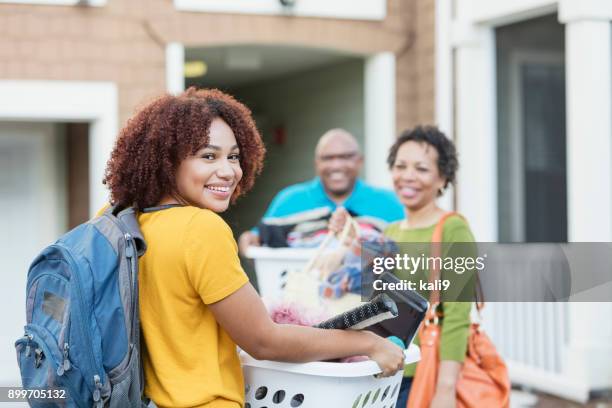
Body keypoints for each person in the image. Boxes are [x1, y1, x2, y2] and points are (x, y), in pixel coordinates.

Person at [102, 88, 405, 408]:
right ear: (167, 161)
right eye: (208, 155)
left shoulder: (122, 219)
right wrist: (367, 343)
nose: (229, 170)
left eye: (233, 156)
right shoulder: (201, 229)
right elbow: (264, 340)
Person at [330, 126, 473, 408]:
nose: (408, 176)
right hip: (382, 371)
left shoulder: (454, 229)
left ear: (442, 176)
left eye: (421, 168)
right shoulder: (391, 231)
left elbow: (458, 316)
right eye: (400, 166)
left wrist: (445, 389)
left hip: (424, 375)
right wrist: (348, 241)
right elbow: (375, 298)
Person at [238, 128, 404, 254]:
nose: (337, 165)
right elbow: (258, 239)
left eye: (346, 157)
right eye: (328, 158)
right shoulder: (290, 199)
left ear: (360, 161)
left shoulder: (389, 202)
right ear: (317, 163)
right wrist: (248, 240)